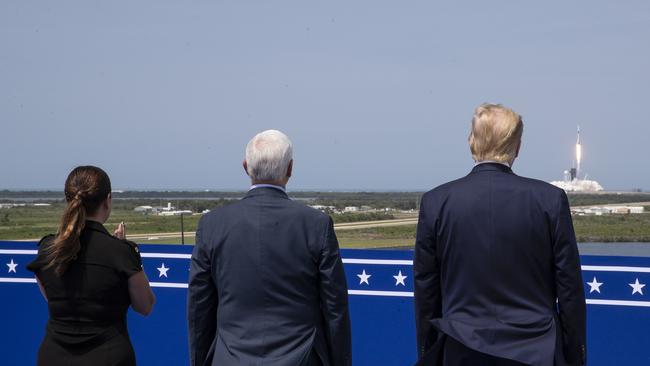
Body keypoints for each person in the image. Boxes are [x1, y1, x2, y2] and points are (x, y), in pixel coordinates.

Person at [414, 104, 586, 366]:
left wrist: (428, 354)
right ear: (517, 147)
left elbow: (427, 292)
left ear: (472, 142)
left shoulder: (436, 202)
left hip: (460, 349)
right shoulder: (550, 200)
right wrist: (574, 357)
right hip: (536, 351)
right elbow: (570, 290)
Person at [188, 129, 352, 366]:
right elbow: (335, 308)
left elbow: (199, 309)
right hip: (302, 358)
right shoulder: (316, 224)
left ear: (246, 167)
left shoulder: (212, 225)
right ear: (290, 169)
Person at [27, 166, 155, 366]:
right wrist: (127, 252)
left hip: (53, 356)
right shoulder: (121, 252)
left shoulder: (48, 249)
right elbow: (145, 306)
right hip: (109, 357)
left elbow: (52, 297)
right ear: (108, 200)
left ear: (68, 200)